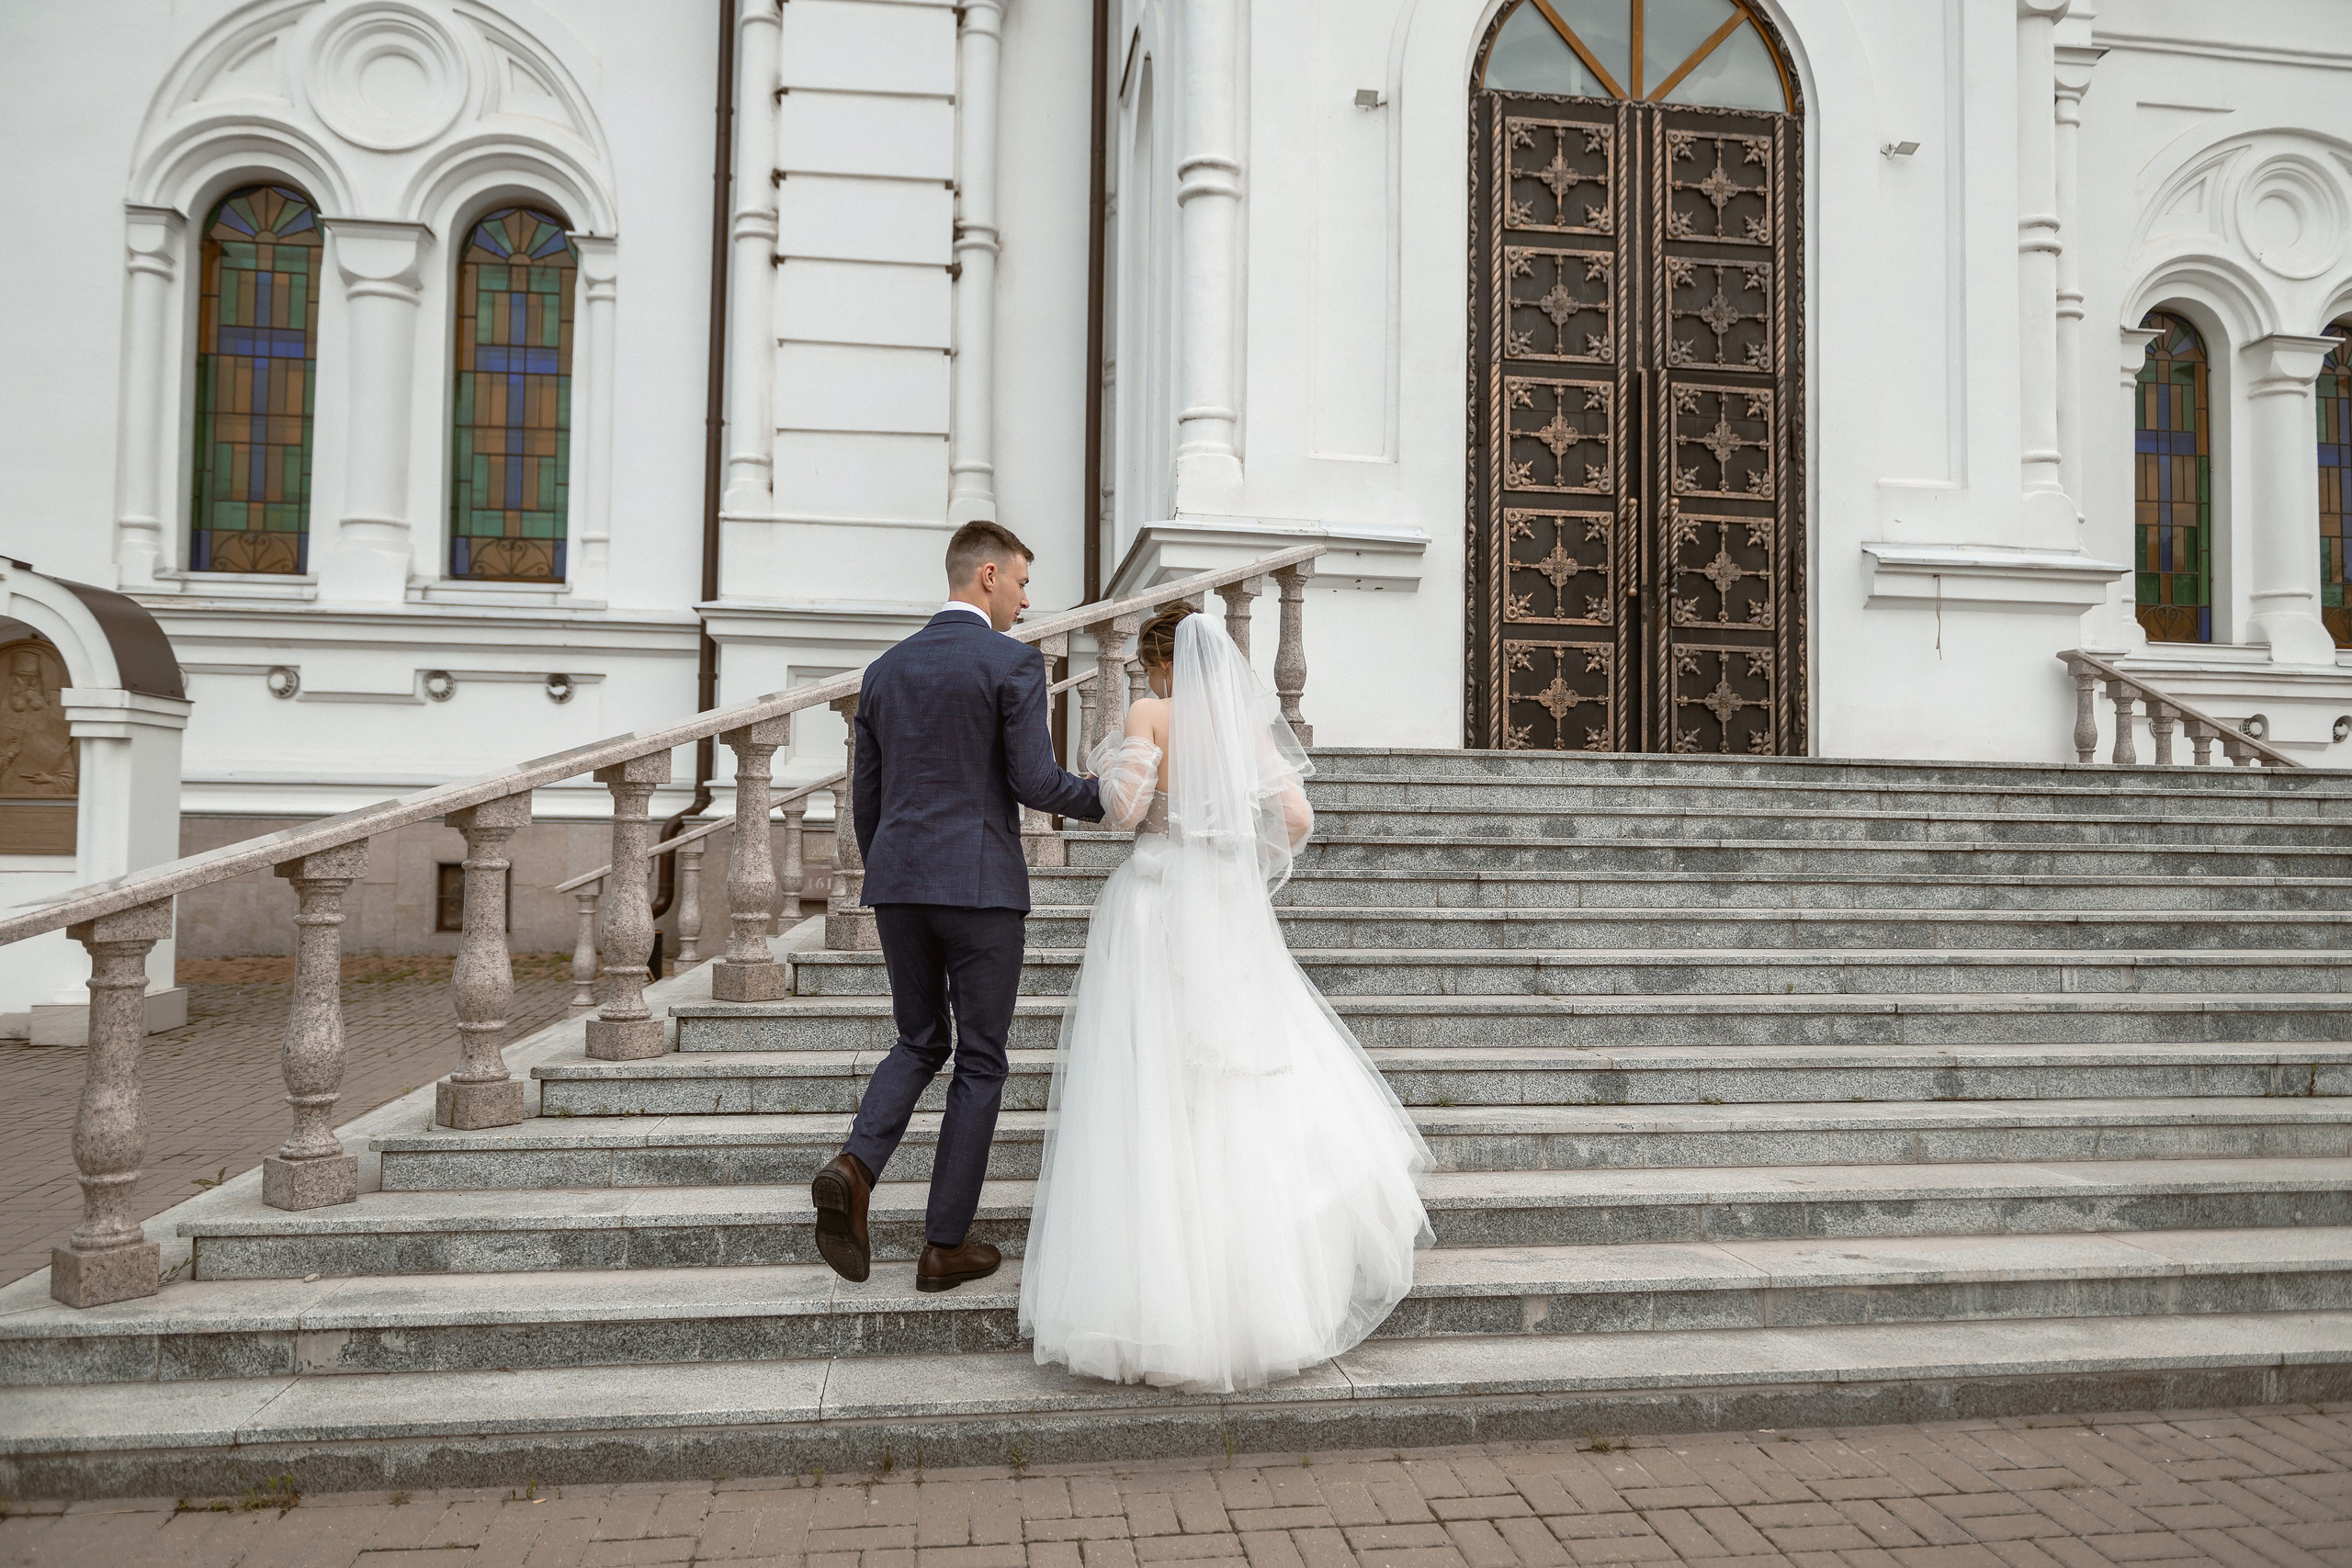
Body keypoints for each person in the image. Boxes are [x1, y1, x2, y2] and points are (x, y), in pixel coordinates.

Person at [1018, 604, 1432, 1392]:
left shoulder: (1149, 711)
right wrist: (1230, 829)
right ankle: (1258, 1298)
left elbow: (1128, 810)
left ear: (1160, 664)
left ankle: (1158, 1298)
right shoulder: (1244, 725)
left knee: (1153, 1081)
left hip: (1158, 899)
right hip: (1225, 904)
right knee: (1235, 1077)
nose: (1149, 680)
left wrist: (1122, 782)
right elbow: (1299, 818)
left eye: (1150, 668)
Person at [809, 521, 1104, 1294]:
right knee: (980, 1058)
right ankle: (944, 1245)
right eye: (1021, 581)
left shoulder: (884, 670)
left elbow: (865, 800)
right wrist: (1111, 799)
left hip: (900, 884)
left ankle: (855, 1164)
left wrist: (894, 871)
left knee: (917, 1039)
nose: (1026, 597)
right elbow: (1036, 783)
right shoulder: (1012, 662)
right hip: (980, 889)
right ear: (985, 576)